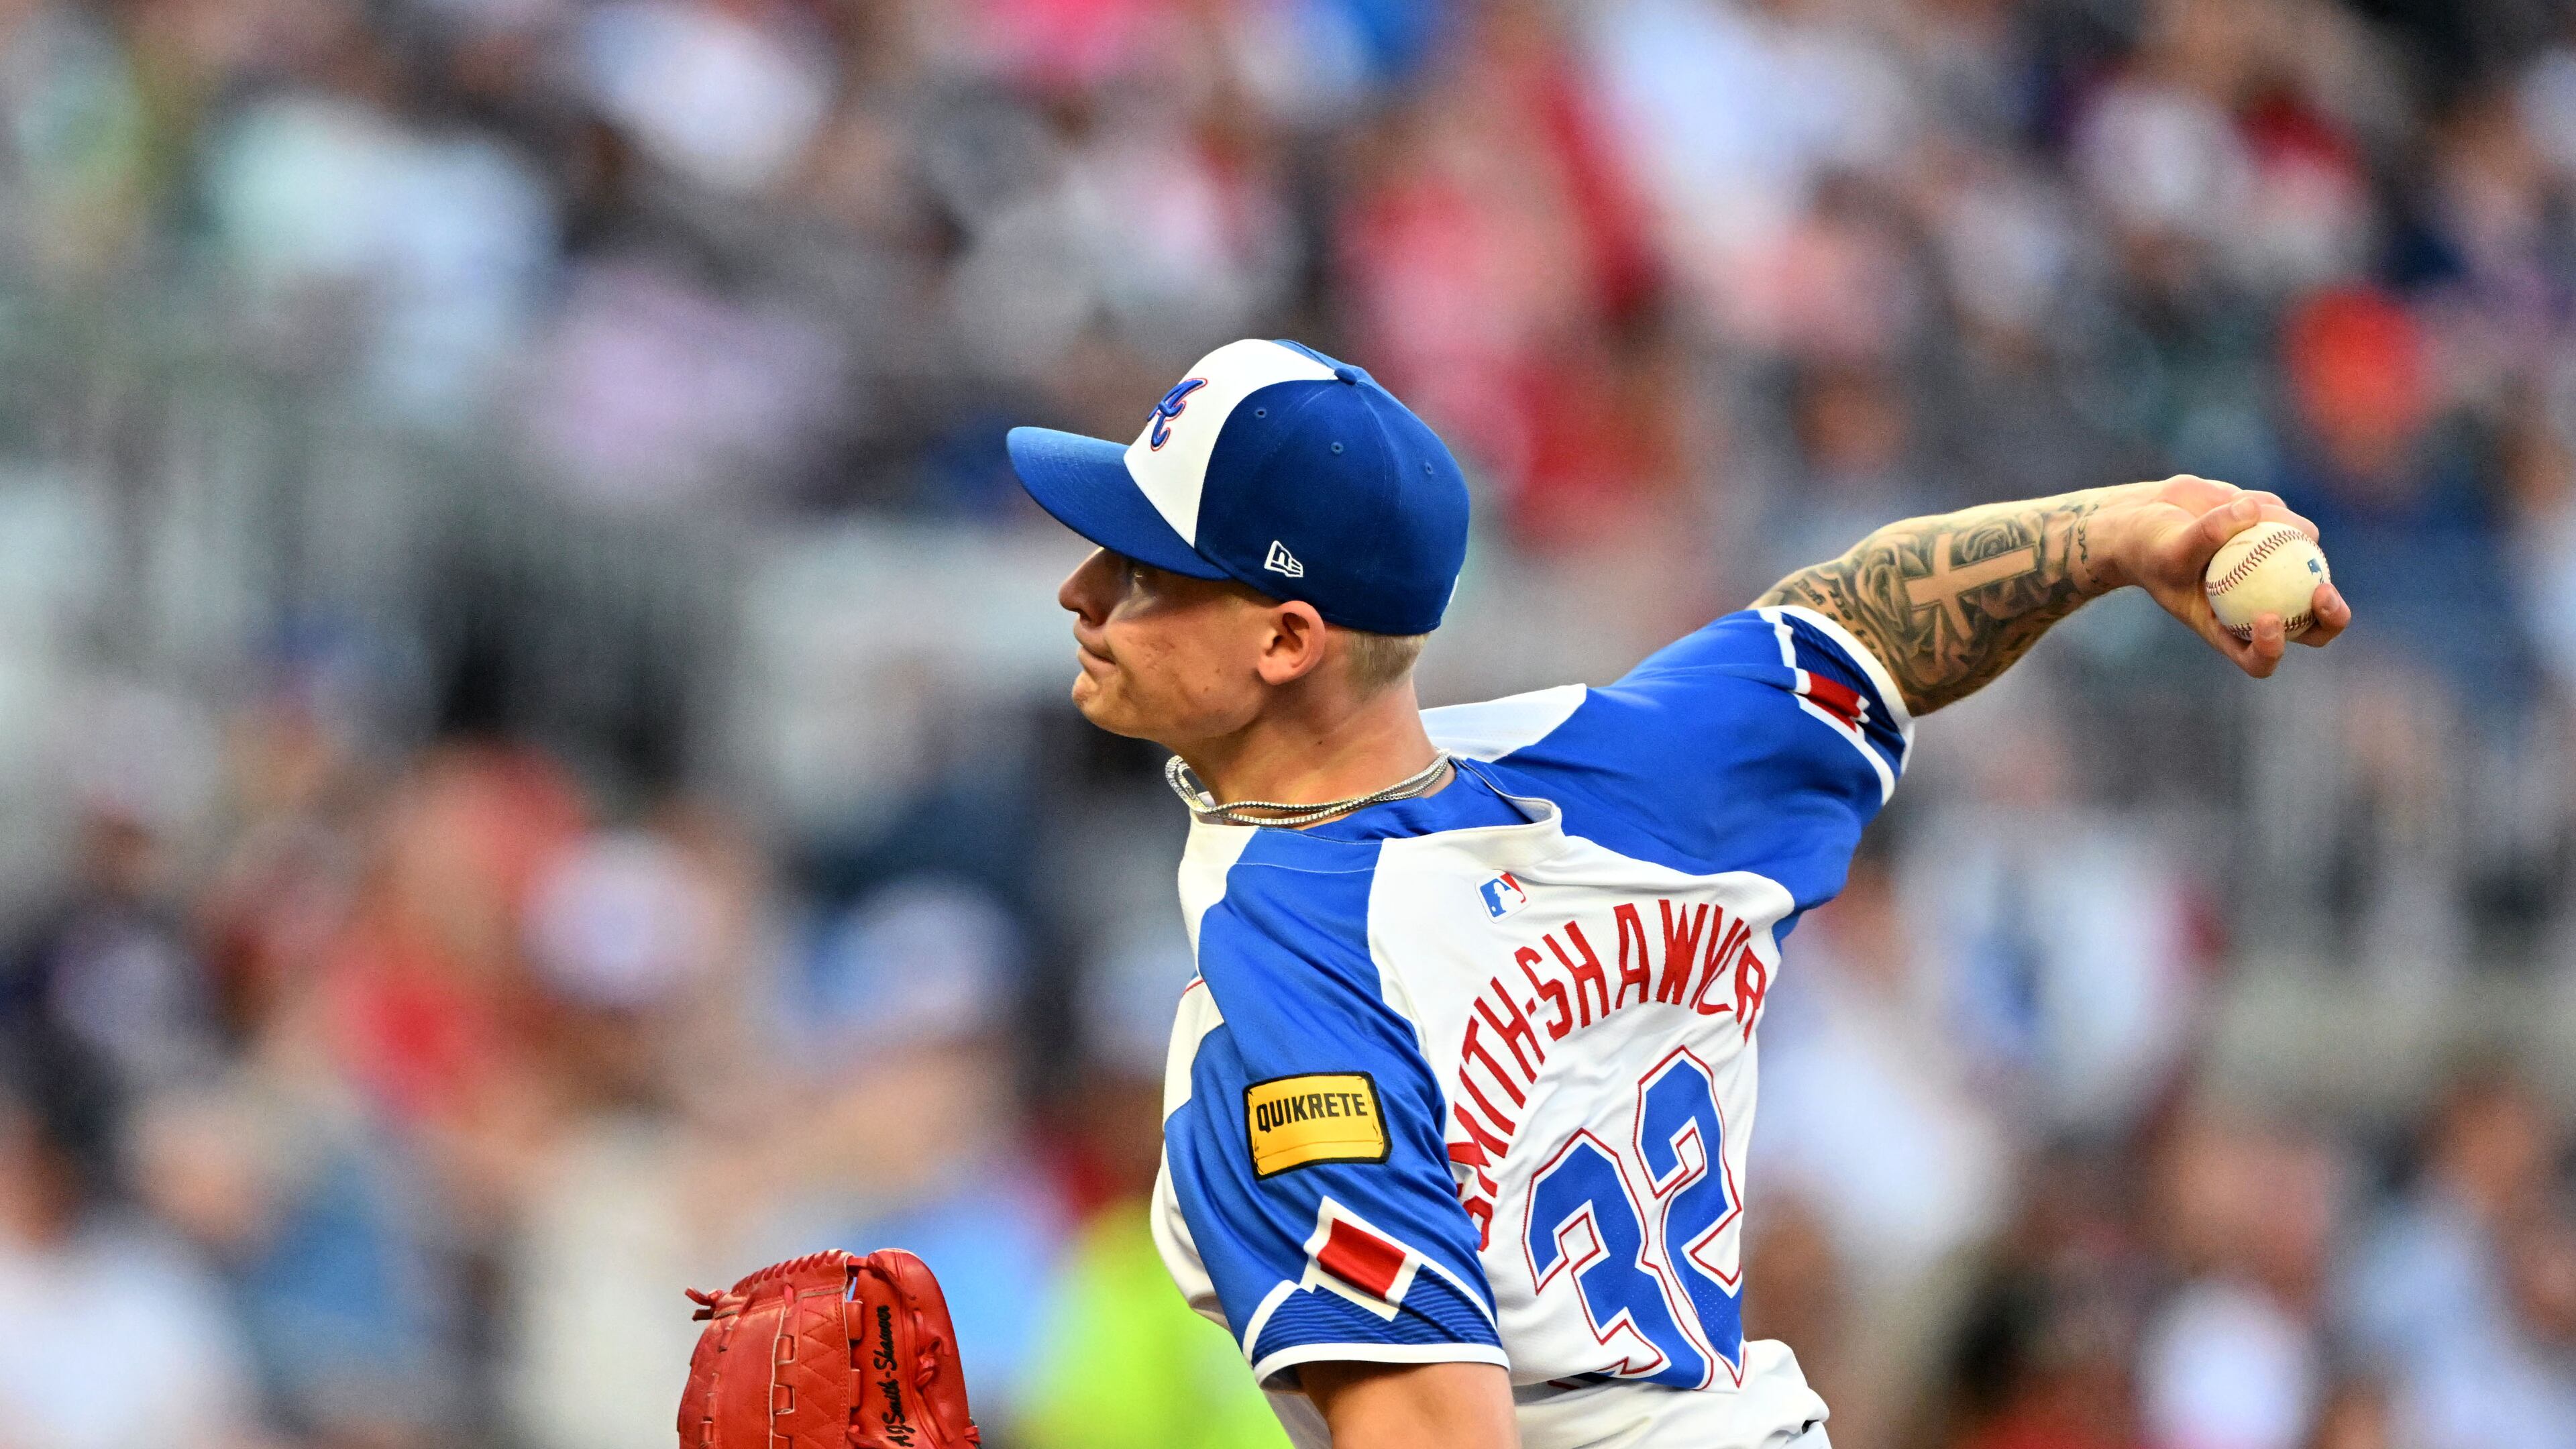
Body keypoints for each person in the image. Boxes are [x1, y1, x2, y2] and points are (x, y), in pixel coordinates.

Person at [1002, 338, 2349, 1449]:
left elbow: (1433, 1437)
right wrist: (2120, 532)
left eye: (1139, 572)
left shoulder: (1286, 986)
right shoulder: (1623, 767)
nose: (1081, 593)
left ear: (1290, 638)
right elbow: (1866, 625)